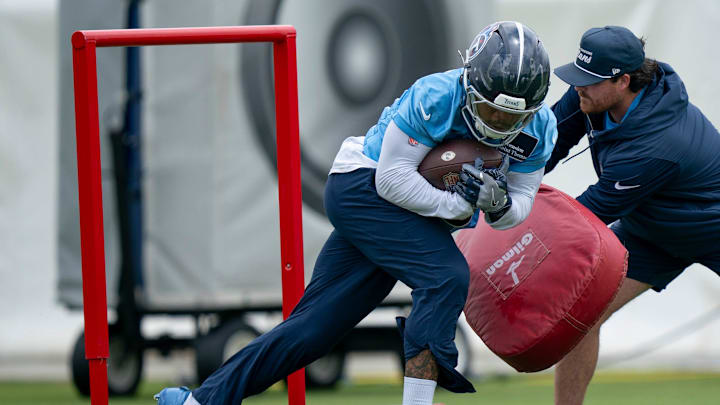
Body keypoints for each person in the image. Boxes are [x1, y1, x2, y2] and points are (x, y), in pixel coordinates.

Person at [155, 20, 557, 405]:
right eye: (492, 112)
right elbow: (391, 178)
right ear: (471, 83)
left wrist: (498, 204)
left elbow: (520, 202)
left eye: (513, 117)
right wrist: (456, 205)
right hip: (361, 188)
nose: (500, 124)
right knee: (446, 278)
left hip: (405, 210)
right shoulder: (435, 96)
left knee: (313, 331)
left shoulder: (540, 129)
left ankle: (200, 400)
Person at [545, 25, 720, 405]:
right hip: (653, 229)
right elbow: (546, 145)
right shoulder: (592, 94)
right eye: (578, 77)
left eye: (589, 81)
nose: (578, 88)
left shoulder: (657, 146)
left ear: (624, 81)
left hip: (712, 227)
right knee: (580, 318)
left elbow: (582, 218)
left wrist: (505, 219)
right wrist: (502, 178)